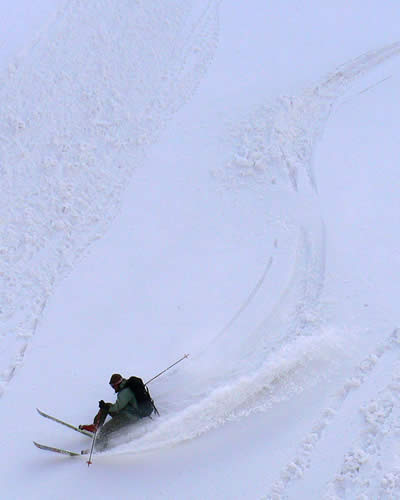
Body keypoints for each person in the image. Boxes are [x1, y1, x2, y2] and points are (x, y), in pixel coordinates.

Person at [79, 373, 141, 451]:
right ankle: (96, 426)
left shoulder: (125, 392)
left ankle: (98, 448)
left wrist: (105, 407)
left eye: (113, 386)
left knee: (106, 429)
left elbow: (117, 407)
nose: (113, 388)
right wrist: (105, 407)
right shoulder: (124, 388)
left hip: (130, 416)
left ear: (118, 384)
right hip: (126, 412)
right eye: (111, 386)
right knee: (107, 406)